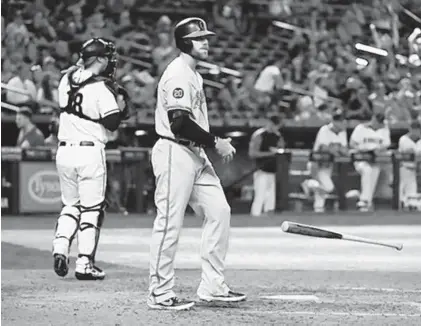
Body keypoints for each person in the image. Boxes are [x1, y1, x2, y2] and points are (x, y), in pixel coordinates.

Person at [148, 17, 246, 311]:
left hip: (194, 154)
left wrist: (208, 144)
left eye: (206, 37)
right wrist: (215, 141)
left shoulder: (194, 74)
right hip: (174, 151)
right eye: (199, 38)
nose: (206, 42)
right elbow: (179, 124)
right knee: (168, 223)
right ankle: (159, 293)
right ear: (184, 42)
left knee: (219, 211)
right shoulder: (178, 73)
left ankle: (213, 286)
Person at [52, 38, 129, 280]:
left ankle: (60, 247)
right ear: (98, 59)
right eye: (106, 56)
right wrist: (119, 103)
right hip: (89, 151)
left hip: (64, 150)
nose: (110, 61)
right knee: (92, 208)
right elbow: (113, 122)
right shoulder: (100, 87)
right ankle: (84, 263)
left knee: (70, 205)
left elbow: (77, 72)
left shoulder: (65, 79)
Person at [302, 108, 348, 212]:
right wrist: (336, 150)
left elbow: (344, 150)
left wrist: (336, 150)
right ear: (334, 121)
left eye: (343, 120)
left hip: (328, 164)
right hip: (316, 164)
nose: (343, 123)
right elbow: (324, 148)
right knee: (329, 188)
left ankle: (318, 209)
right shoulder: (324, 130)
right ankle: (309, 184)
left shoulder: (342, 132)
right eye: (340, 121)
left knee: (321, 192)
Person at [349, 112, 391, 211]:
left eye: (381, 122)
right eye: (378, 121)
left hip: (375, 160)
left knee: (374, 170)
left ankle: (366, 203)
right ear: (373, 119)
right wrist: (362, 148)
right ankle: (365, 200)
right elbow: (352, 144)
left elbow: (386, 145)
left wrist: (378, 150)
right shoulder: (361, 128)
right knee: (367, 170)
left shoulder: (384, 129)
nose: (379, 124)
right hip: (361, 159)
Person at [248, 114, 284, 217]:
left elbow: (281, 149)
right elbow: (252, 153)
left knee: (270, 197)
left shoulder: (278, 136)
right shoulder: (259, 135)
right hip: (261, 169)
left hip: (273, 170)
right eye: (275, 125)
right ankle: (255, 216)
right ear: (270, 123)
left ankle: (268, 218)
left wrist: (278, 152)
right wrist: (270, 153)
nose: (277, 128)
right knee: (260, 195)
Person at [398, 120, 421, 209]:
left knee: (413, 195)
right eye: (414, 129)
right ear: (410, 129)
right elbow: (409, 154)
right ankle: (405, 202)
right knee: (405, 192)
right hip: (405, 168)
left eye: (417, 129)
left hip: (417, 169)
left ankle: (412, 203)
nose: (416, 132)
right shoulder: (403, 140)